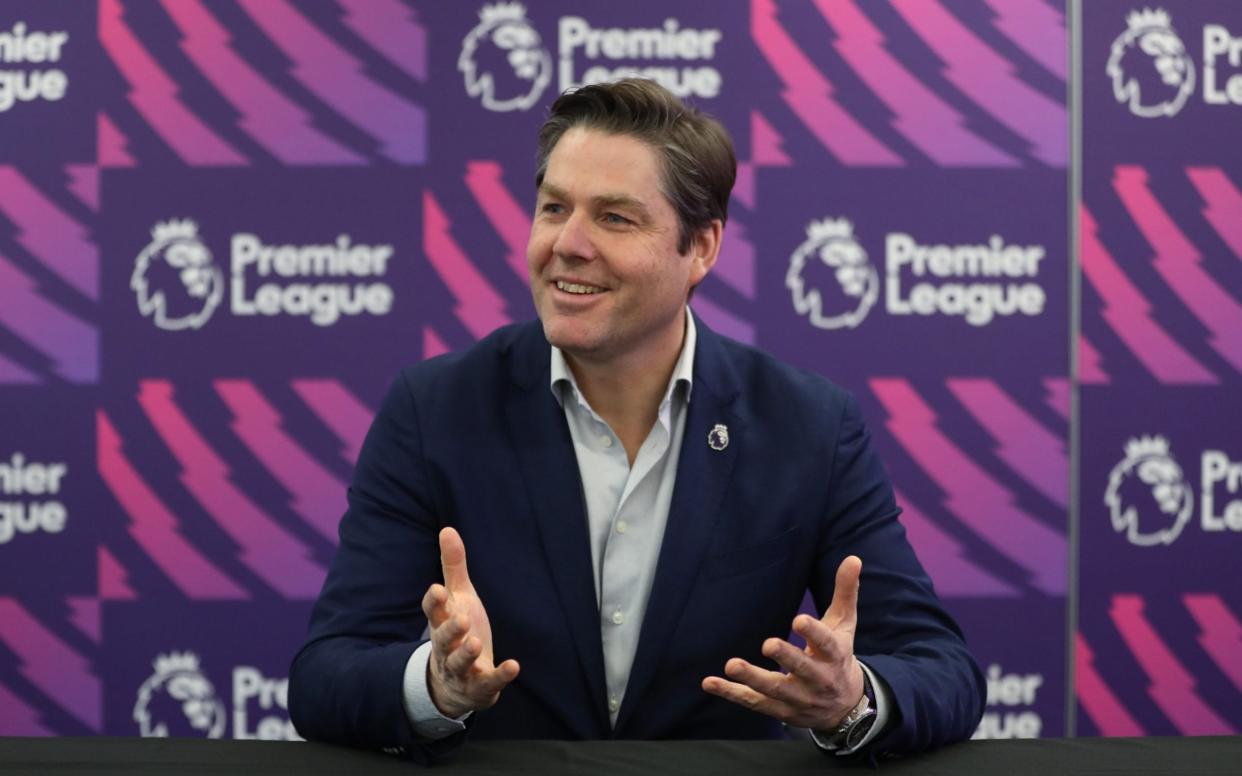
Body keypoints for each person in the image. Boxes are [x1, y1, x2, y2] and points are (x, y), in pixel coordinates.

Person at [289, 78, 985, 763]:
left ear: (702, 249)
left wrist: (850, 701)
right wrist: (436, 688)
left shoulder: (809, 426)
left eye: (615, 217)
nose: (569, 243)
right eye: (554, 208)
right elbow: (325, 675)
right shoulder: (435, 409)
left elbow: (943, 668)